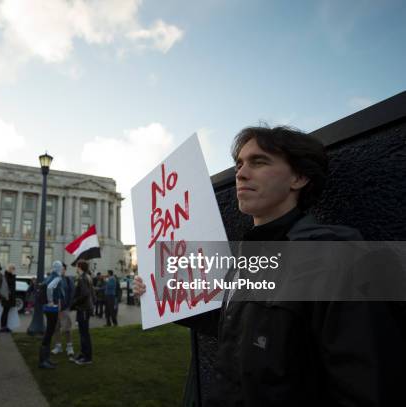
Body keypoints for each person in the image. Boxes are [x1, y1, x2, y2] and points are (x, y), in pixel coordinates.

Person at [134, 125, 405, 406]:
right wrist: (161, 295)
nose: (240, 173)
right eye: (239, 164)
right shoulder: (244, 260)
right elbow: (233, 326)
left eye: (258, 161)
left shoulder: (340, 259)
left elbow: (366, 388)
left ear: (299, 177)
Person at [38, 261, 64, 369]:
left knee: (49, 332)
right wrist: (51, 301)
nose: (62, 269)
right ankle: (43, 360)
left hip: (47, 308)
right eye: (61, 268)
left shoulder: (50, 276)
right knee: (49, 332)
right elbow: (49, 288)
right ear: (59, 268)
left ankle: (46, 358)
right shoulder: (57, 277)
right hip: (51, 308)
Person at [70, 261, 94, 365]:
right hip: (84, 308)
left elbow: (84, 294)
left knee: (84, 334)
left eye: (77, 266)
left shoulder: (83, 278)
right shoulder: (86, 276)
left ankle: (87, 357)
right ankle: (83, 354)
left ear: (80, 267)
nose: (76, 268)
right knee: (83, 333)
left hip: (83, 309)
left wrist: (74, 303)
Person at [51, 262, 75, 358]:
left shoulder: (68, 280)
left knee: (67, 329)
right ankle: (58, 346)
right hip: (55, 308)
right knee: (56, 328)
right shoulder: (54, 279)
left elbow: (72, 293)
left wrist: (67, 306)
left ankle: (69, 346)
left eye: (62, 268)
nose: (60, 270)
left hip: (64, 309)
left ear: (65, 270)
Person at [0, 264, 16, 333]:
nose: (14, 270)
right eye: (13, 269)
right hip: (7, 297)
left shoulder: (8, 276)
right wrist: (6, 297)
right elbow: (5, 287)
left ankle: (5, 326)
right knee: (5, 312)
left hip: (8, 297)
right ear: (9, 269)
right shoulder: (7, 276)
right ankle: (3, 327)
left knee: (6, 312)